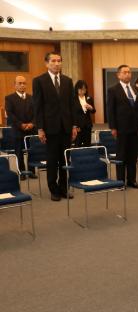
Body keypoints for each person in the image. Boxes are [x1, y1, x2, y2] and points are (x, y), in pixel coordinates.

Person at [33, 52, 78, 201]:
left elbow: (72, 105)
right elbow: (38, 107)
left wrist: (74, 126)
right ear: (47, 63)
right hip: (50, 128)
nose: (57, 63)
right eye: (53, 61)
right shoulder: (39, 81)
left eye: (59, 61)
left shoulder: (67, 81)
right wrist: (40, 128)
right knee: (52, 160)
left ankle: (64, 188)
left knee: (65, 159)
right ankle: (53, 189)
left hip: (66, 127)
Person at [107, 64, 138, 189]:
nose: (128, 74)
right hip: (121, 128)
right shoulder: (113, 89)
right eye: (125, 72)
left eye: (129, 72)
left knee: (132, 155)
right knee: (121, 155)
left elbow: (137, 109)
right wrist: (113, 127)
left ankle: (131, 180)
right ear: (118, 75)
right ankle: (120, 181)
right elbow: (110, 110)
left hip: (134, 128)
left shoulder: (134, 89)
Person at [5, 75, 37, 180]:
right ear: (15, 85)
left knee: (31, 151)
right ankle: (22, 172)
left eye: (24, 83)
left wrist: (32, 123)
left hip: (31, 129)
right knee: (19, 152)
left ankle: (31, 171)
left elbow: (36, 113)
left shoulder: (32, 98)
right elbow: (10, 114)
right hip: (18, 130)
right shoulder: (9, 98)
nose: (22, 85)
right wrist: (20, 124)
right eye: (20, 83)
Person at [73, 80, 95, 147]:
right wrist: (75, 126)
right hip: (78, 126)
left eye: (84, 89)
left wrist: (91, 108)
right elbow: (73, 113)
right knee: (77, 144)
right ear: (77, 89)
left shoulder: (89, 98)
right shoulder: (73, 99)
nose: (83, 91)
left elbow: (93, 111)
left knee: (87, 144)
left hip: (87, 125)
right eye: (81, 89)